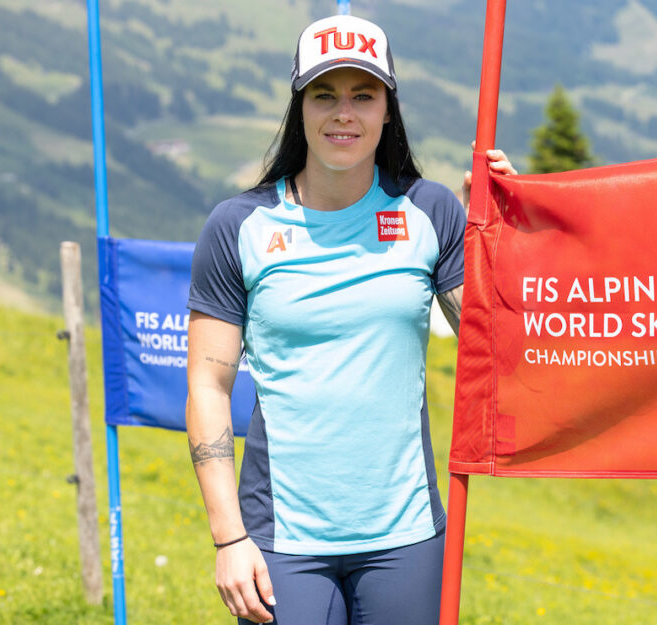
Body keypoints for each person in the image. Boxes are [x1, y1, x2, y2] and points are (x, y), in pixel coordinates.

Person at [185, 14, 515, 625]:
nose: (345, 113)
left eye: (363, 95)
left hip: (407, 535)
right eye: (324, 95)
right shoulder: (238, 226)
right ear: (299, 107)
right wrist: (229, 538)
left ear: (388, 109)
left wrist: (502, 230)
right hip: (280, 541)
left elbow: (494, 339)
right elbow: (208, 387)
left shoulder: (429, 209)